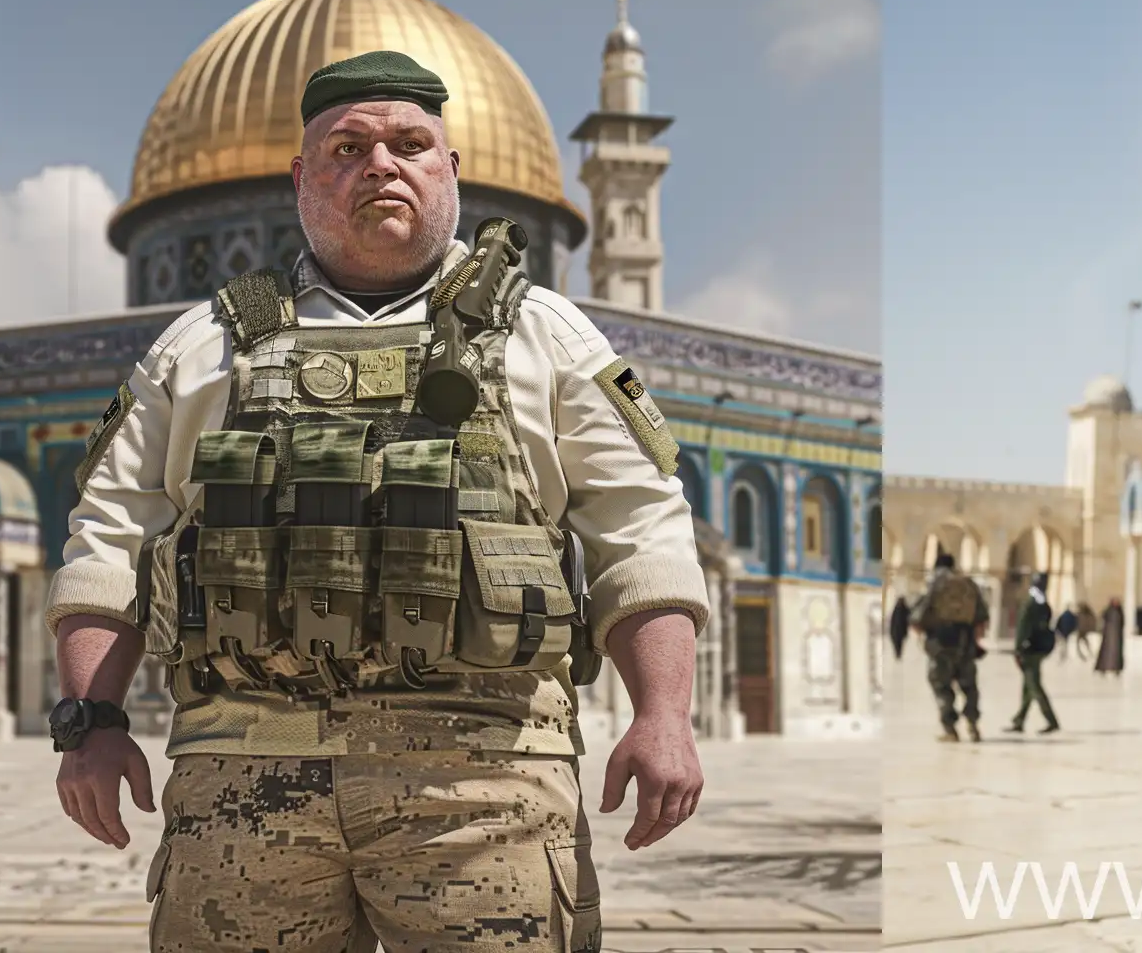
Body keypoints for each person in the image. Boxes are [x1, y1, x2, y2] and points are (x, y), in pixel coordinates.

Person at [47, 49, 707, 951]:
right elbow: (111, 539)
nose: (380, 165)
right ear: (301, 177)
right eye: (347, 147)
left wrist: (665, 714)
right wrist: (91, 720)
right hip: (244, 779)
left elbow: (641, 530)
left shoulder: (545, 336)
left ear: (451, 170)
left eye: (409, 143)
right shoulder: (198, 348)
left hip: (487, 782)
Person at [909, 550, 989, 742]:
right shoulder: (969, 585)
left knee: (941, 686)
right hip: (966, 643)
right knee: (969, 687)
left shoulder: (935, 584)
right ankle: (973, 725)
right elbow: (982, 617)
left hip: (940, 643)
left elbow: (917, 616)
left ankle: (950, 729)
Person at [1007, 571, 1060, 734]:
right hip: (1039, 649)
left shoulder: (1030, 603)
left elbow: (1022, 628)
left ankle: (1051, 720)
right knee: (1028, 687)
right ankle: (1019, 720)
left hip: (1029, 650)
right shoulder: (1044, 604)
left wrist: (1017, 649)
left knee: (1034, 686)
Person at [1096, 597, 1125, 675]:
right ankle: (1103, 668)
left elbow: (1122, 623)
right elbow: (1102, 618)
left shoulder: (1120, 612)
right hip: (1108, 636)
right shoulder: (1108, 611)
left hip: (1117, 636)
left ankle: (1116, 668)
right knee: (1106, 652)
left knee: (1116, 653)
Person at [889, 594, 913, 661]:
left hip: (899, 631)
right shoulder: (898, 609)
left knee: (899, 643)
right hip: (897, 631)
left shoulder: (900, 609)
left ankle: (898, 654)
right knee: (897, 643)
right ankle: (898, 654)